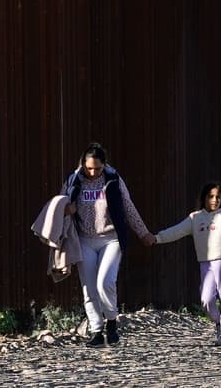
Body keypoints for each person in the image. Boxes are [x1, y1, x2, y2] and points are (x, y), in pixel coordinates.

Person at [63, 142, 156, 347]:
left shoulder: (113, 180)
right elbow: (61, 205)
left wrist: (143, 232)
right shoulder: (73, 181)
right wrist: (66, 210)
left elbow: (128, 207)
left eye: (97, 167)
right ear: (83, 165)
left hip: (111, 237)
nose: (93, 172)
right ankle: (96, 331)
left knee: (105, 282)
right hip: (84, 239)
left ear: (104, 164)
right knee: (89, 287)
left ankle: (111, 321)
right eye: (89, 168)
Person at [155, 181, 221, 346]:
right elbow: (176, 231)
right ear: (204, 198)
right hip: (206, 264)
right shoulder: (195, 218)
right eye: (211, 196)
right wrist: (157, 238)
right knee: (206, 300)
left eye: (218, 197)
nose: (215, 200)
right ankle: (217, 321)